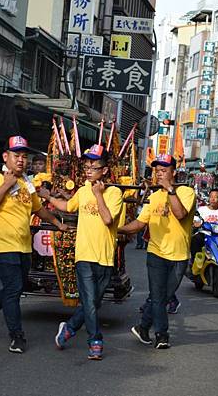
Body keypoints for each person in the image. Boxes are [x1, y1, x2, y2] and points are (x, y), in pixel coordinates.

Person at [0, 136, 68, 354]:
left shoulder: (26, 184)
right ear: (6, 157)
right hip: (1, 246)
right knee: (13, 289)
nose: (21, 160)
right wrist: (6, 184)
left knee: (16, 288)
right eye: (16, 156)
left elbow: (38, 208)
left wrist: (57, 222)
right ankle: (17, 336)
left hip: (23, 247)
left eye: (24, 156)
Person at [38, 144, 123, 361]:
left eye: (94, 166)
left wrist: (99, 195)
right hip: (84, 255)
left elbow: (107, 220)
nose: (89, 170)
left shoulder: (114, 193)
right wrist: (48, 197)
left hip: (104, 257)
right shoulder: (83, 191)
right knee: (90, 301)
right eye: (87, 166)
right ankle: (95, 340)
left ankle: (69, 328)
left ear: (104, 170)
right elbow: (67, 207)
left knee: (92, 303)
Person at [119, 154, 196, 349]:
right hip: (156, 253)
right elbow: (139, 223)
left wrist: (170, 189)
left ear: (173, 172)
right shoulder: (153, 197)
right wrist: (116, 229)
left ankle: (143, 326)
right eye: (157, 170)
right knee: (158, 295)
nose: (159, 174)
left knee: (164, 295)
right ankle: (162, 335)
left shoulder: (186, 192)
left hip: (179, 255)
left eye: (164, 170)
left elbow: (180, 214)